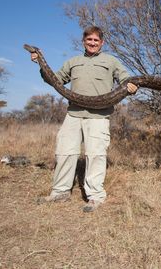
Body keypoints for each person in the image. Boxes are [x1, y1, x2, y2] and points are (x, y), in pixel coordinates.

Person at [31, 26, 138, 213]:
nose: (92, 43)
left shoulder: (111, 61)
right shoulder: (73, 61)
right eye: (89, 40)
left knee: (95, 155)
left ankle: (95, 197)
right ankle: (60, 192)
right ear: (84, 41)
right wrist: (40, 64)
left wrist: (131, 86)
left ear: (102, 43)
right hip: (73, 113)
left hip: (99, 116)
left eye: (96, 40)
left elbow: (126, 78)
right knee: (65, 152)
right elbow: (54, 80)